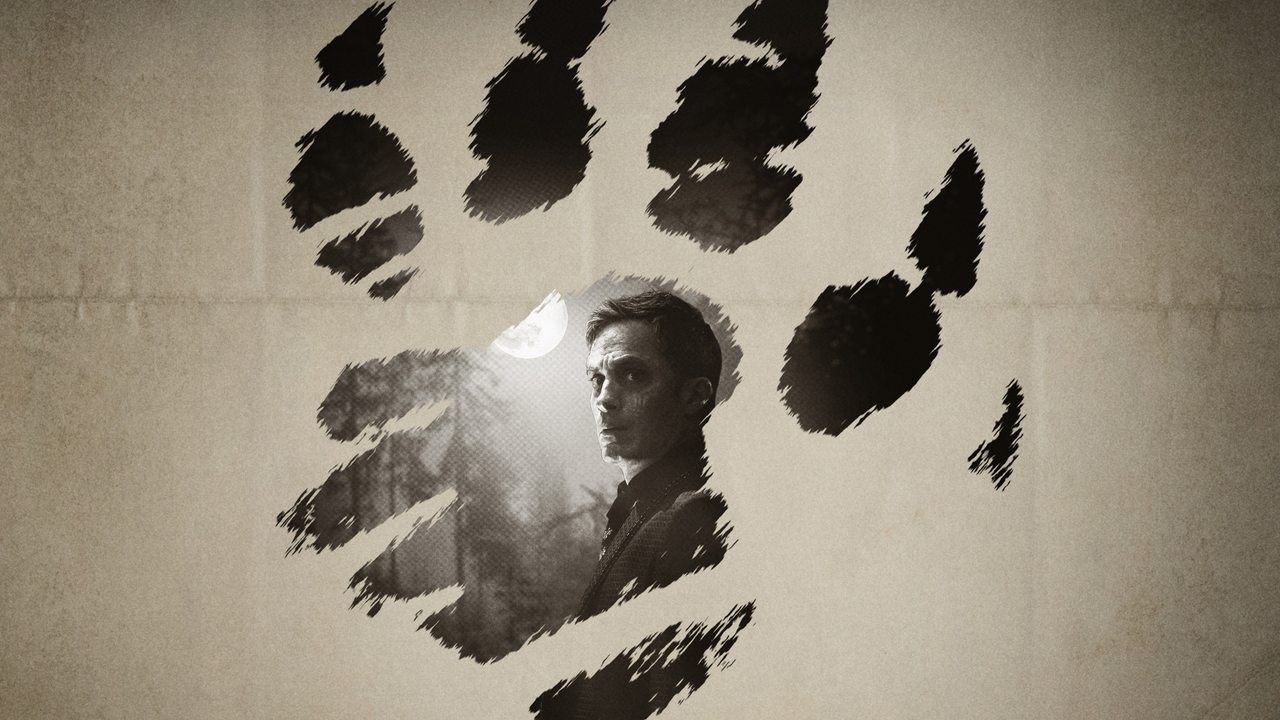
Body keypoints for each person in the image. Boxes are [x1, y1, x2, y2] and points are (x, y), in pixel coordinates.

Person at [576, 290, 728, 620]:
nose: (604, 399)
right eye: (597, 379)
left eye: (632, 375)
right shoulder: (643, 507)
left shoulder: (696, 517)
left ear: (694, 396)